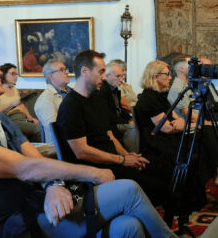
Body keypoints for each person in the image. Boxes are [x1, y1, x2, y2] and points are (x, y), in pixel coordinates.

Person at [0, 39, 177, 238]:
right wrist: (92, 173)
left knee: (128, 227)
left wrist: (53, 184)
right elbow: (25, 168)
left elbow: (33, 159)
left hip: (33, 206)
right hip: (8, 225)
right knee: (127, 189)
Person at [56, 50, 168, 205]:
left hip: (113, 162)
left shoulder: (96, 100)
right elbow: (81, 151)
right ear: (85, 71)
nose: (104, 77)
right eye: (101, 71)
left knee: (164, 169)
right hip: (97, 170)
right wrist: (122, 160)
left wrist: (128, 156)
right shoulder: (71, 106)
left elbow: (110, 136)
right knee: (161, 186)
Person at [135, 60, 218, 206]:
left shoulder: (160, 95)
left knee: (207, 133)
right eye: (166, 74)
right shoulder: (148, 98)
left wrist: (183, 124)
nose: (170, 77)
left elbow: (177, 121)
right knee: (206, 139)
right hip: (159, 143)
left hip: (172, 136)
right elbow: (166, 128)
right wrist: (183, 124)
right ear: (155, 76)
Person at [167, 55, 218, 153]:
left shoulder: (188, 84)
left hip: (200, 121)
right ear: (182, 69)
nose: (195, 68)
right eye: (191, 65)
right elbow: (190, 115)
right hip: (193, 127)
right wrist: (209, 123)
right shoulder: (178, 88)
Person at [92, 61, 138, 152]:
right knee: (133, 128)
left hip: (117, 121)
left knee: (138, 123)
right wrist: (128, 122)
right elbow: (108, 116)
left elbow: (120, 109)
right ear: (107, 76)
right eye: (118, 76)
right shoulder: (102, 90)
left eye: (122, 76)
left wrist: (129, 119)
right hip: (110, 125)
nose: (121, 79)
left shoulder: (115, 88)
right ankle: (132, 155)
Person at [0, 63, 42, 142]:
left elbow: (21, 105)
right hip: (10, 119)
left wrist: (30, 118)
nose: (16, 77)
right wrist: (10, 104)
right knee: (37, 129)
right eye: (12, 74)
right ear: (4, 74)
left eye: (16, 74)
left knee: (41, 125)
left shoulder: (14, 89)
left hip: (22, 118)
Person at [34, 60, 72, 144]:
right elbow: (55, 130)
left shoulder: (73, 92)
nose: (67, 72)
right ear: (50, 76)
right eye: (62, 70)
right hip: (64, 145)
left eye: (66, 69)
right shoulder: (45, 99)